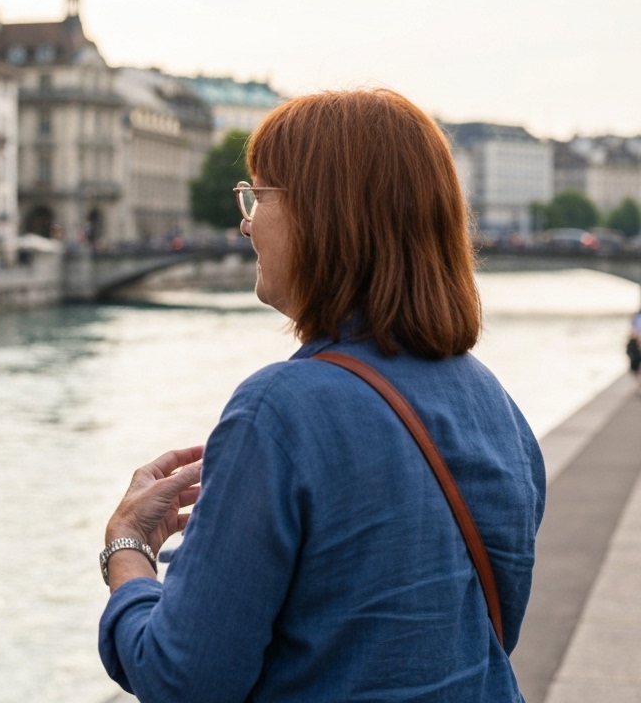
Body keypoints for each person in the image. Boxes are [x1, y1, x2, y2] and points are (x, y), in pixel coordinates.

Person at [99, 89, 545, 701]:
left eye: (260, 194)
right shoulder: (494, 403)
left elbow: (182, 678)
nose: (245, 220)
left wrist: (127, 553)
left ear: (325, 215)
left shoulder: (279, 411)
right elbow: (482, 631)